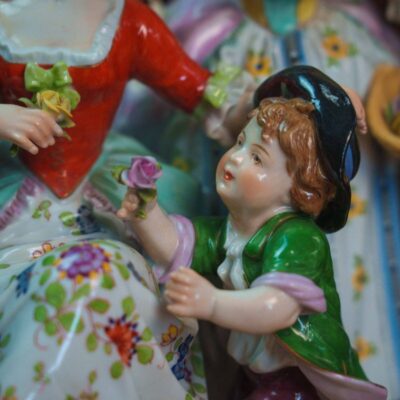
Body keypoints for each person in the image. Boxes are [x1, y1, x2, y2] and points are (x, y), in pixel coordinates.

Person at [0, 1, 243, 398]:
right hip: (16, 200)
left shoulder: (128, 22)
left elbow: (198, 90)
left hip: (105, 193)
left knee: (113, 275)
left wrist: (275, 113)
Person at [118, 66, 387, 399]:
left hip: (297, 382)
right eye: (241, 142)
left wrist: (212, 302)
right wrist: (145, 211)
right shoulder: (235, 229)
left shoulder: (299, 238)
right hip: (253, 376)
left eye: (257, 159)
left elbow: (278, 307)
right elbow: (176, 246)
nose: (236, 159)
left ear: (301, 189)